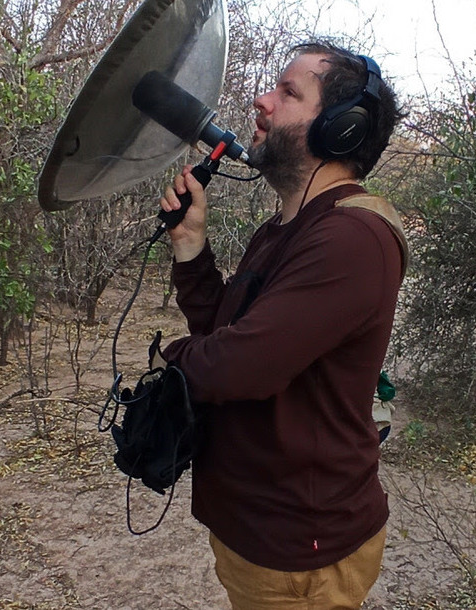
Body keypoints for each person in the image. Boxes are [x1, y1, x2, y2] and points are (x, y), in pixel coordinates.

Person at [159, 40, 406, 610]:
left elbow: (241, 367)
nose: (261, 101)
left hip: (302, 552)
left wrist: (165, 363)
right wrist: (192, 248)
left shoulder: (352, 239)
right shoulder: (284, 230)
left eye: (287, 91)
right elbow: (224, 334)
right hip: (260, 534)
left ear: (340, 130)